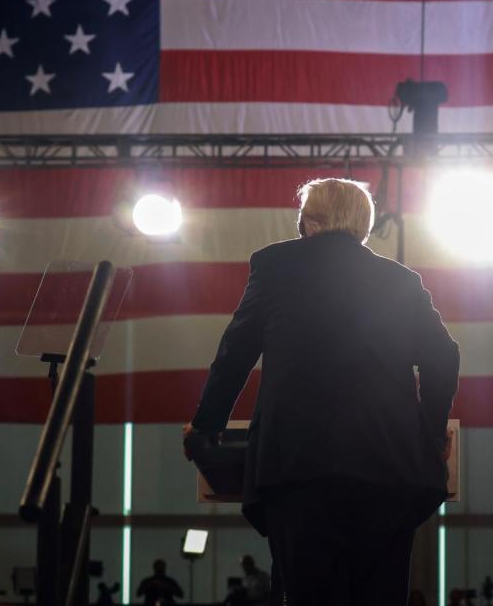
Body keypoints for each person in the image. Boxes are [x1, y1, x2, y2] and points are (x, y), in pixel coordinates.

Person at [185, 178, 461, 606]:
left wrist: (205, 427)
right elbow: (443, 356)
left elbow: (236, 351)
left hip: (300, 471)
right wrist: (428, 432)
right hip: (389, 474)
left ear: (309, 222)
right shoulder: (400, 280)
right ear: (363, 226)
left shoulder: (276, 265)